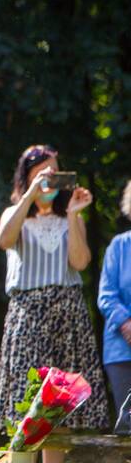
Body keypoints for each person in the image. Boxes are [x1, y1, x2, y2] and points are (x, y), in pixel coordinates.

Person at [0, 145, 107, 463]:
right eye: (42, 172)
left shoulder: (73, 218)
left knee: (62, 398)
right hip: (27, 313)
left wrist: (73, 213)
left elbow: (81, 262)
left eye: (55, 172)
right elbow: (3, 239)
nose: (49, 179)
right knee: (25, 397)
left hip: (67, 312)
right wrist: (29, 195)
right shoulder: (14, 214)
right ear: (27, 175)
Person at [97, 179, 131, 430]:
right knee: (127, 427)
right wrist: (126, 323)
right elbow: (106, 295)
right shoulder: (119, 246)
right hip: (122, 350)